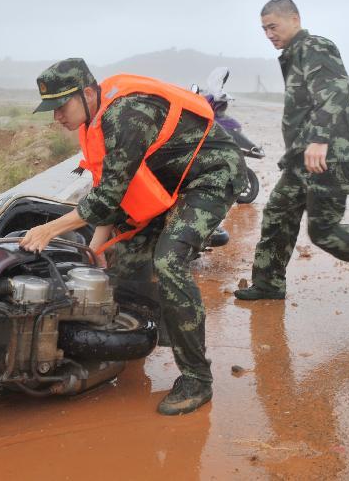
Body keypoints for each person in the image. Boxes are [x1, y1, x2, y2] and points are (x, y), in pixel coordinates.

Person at [19, 58, 246, 415]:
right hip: (169, 182)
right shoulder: (92, 123)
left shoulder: (125, 115)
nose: (57, 116)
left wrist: (48, 230)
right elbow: (108, 192)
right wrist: (96, 250)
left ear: (88, 92)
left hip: (211, 177)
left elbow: (107, 198)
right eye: (52, 109)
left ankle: (197, 378)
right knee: (119, 259)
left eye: (61, 106)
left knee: (169, 261)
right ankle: (132, 341)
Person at [235, 0, 349, 301]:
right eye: (264, 29)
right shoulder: (294, 54)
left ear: (294, 19)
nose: (269, 34)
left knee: (323, 231)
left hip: (330, 156)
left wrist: (319, 140)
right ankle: (269, 284)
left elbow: (336, 90)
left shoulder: (314, 47)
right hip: (302, 159)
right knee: (278, 215)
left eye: (273, 26)